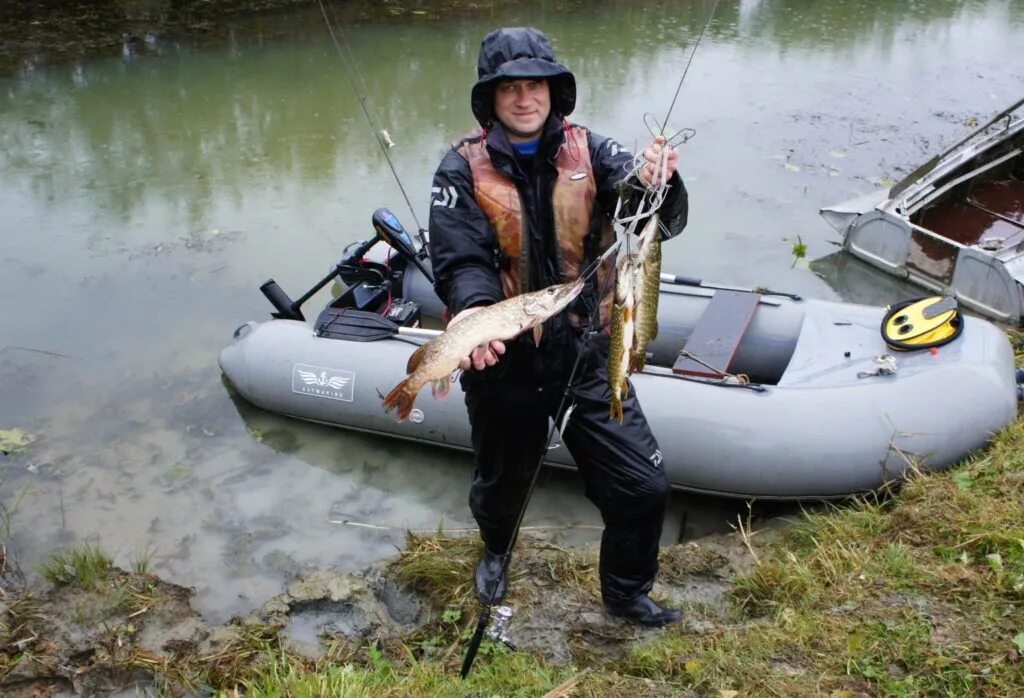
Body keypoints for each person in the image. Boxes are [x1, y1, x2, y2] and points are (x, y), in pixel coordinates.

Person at [428, 27, 688, 627]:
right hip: (506, 365)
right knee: (500, 487)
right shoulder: (458, 168)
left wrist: (659, 182)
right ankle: (497, 549)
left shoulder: (595, 150)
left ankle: (625, 594)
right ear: (490, 98)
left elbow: (651, 216)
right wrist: (472, 311)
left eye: (535, 85)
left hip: (587, 355)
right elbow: (460, 256)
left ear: (554, 90)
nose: (524, 98)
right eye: (510, 87)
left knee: (642, 488)